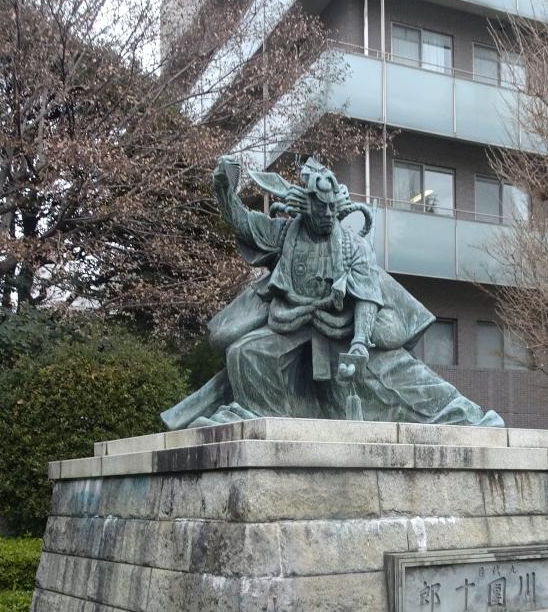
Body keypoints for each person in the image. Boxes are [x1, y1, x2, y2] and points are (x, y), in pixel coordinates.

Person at [162, 155, 504, 429]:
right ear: (305, 204)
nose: (326, 214)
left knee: (399, 377)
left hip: (345, 328)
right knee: (245, 352)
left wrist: (359, 344)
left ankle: (465, 416)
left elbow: (368, 296)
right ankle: (267, 422)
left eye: (331, 208)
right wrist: (225, 191)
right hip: (292, 324)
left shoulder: (353, 246)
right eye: (319, 207)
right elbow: (245, 225)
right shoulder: (285, 235)